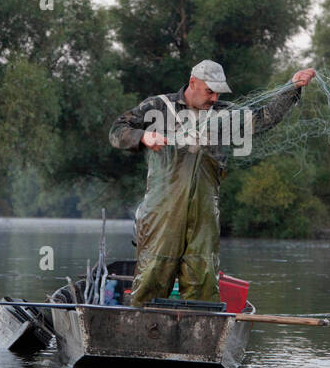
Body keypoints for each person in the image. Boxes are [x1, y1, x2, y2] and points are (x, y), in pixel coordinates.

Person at [109, 60, 316, 306]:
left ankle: (201, 333)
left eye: (219, 92)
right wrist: (143, 136)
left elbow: (265, 119)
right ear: (193, 83)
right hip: (161, 215)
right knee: (152, 277)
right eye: (210, 91)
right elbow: (117, 130)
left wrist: (292, 88)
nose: (214, 97)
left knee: (202, 280)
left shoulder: (224, 114)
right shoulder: (158, 106)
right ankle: (142, 330)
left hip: (205, 214)